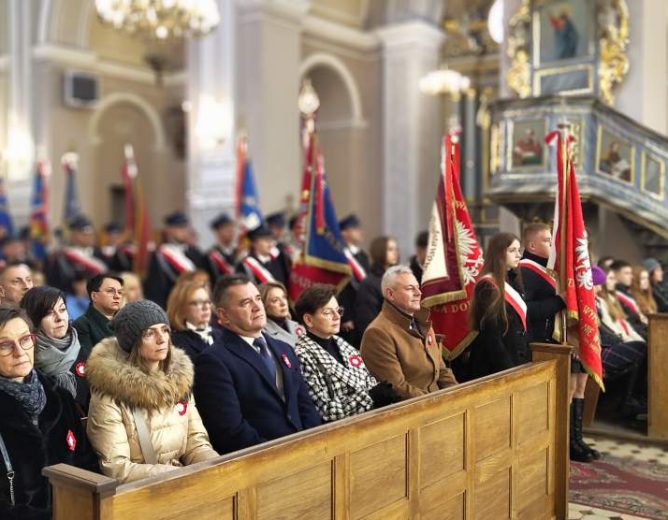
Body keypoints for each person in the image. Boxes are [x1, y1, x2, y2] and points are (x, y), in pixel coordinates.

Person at [85, 300, 218, 483]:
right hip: (142, 493)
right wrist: (174, 476)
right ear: (132, 342)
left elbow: (195, 442)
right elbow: (117, 468)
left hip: (182, 481)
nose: (162, 339)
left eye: (164, 330)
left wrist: (214, 465)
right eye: (150, 333)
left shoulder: (178, 380)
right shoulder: (109, 396)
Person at [193, 275, 321, 454]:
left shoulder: (284, 349)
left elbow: (305, 405)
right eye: (245, 302)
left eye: (258, 299)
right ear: (223, 315)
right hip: (262, 463)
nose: (257, 307)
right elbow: (230, 431)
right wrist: (278, 454)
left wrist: (312, 441)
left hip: (307, 451)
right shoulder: (213, 361)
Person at [0, 306, 97, 519]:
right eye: (5, 345)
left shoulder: (59, 396)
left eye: (25, 339)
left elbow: (87, 463)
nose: (19, 352)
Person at [294, 284, 397, 422]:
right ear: (308, 320)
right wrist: (370, 397)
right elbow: (325, 411)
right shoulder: (302, 355)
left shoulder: (342, 343)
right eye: (328, 312)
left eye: (338, 310)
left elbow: (367, 381)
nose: (337, 317)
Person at [360, 265, 457, 399]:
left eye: (417, 287)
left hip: (439, 403)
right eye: (410, 288)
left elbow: (441, 370)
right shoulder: (377, 333)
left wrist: (459, 394)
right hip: (415, 412)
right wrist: (440, 403)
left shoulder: (422, 321)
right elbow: (399, 388)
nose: (419, 293)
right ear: (390, 294)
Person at [468, 232, 528, 379]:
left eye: (518, 250)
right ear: (499, 253)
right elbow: (491, 334)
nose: (518, 255)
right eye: (512, 250)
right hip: (496, 366)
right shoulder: (487, 286)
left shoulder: (513, 281)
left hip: (516, 358)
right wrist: (508, 370)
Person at [20, 287, 89, 412]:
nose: (59, 318)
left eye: (62, 310)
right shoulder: (25, 362)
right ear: (33, 319)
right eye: (48, 313)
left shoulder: (88, 352)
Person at [594, 266, 647, 420]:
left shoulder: (601, 301)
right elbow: (598, 332)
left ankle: (630, 399)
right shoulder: (592, 302)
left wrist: (618, 338)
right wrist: (618, 339)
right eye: (597, 283)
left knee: (644, 350)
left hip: (609, 343)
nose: (599, 287)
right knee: (642, 348)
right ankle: (628, 401)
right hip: (601, 349)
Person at [144, 212, 206, 308]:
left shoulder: (196, 253)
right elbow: (155, 287)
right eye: (179, 227)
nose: (183, 231)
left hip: (196, 304)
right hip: (172, 306)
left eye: (185, 227)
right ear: (169, 230)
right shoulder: (159, 255)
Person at [45, 215, 108, 293]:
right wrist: (73, 285)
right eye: (84, 234)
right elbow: (55, 279)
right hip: (70, 296)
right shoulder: (63, 256)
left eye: (91, 234)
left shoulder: (100, 253)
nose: (89, 237)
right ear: (74, 235)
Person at [354, 236, 400, 338]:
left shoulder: (399, 278)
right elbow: (366, 320)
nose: (395, 252)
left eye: (396, 249)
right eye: (390, 249)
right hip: (381, 338)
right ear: (379, 251)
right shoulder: (369, 283)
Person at [337, 214, 371, 346]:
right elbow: (341, 289)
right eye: (355, 229)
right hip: (349, 316)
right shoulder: (341, 256)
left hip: (363, 312)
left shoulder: (362, 255)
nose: (360, 232)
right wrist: (345, 316)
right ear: (344, 233)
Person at [73, 274, 123, 355]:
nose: (117, 296)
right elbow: (88, 363)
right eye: (110, 291)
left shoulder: (127, 322)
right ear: (94, 296)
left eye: (120, 292)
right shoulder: (82, 325)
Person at [167, 281, 218, 361]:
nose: (206, 307)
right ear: (181, 309)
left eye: (207, 301)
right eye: (196, 303)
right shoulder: (175, 342)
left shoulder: (222, 335)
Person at [259, 281, 304, 349]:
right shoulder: (263, 334)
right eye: (275, 300)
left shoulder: (297, 326)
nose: (283, 303)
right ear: (263, 306)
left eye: (284, 297)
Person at [611, 260, 648, 339]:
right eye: (627, 273)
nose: (631, 276)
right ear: (615, 274)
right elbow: (630, 322)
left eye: (631, 273)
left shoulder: (626, 293)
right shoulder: (616, 295)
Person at [206, 213, 238, 281]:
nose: (230, 231)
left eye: (231, 227)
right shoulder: (210, 256)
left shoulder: (237, 251)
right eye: (226, 228)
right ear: (217, 232)